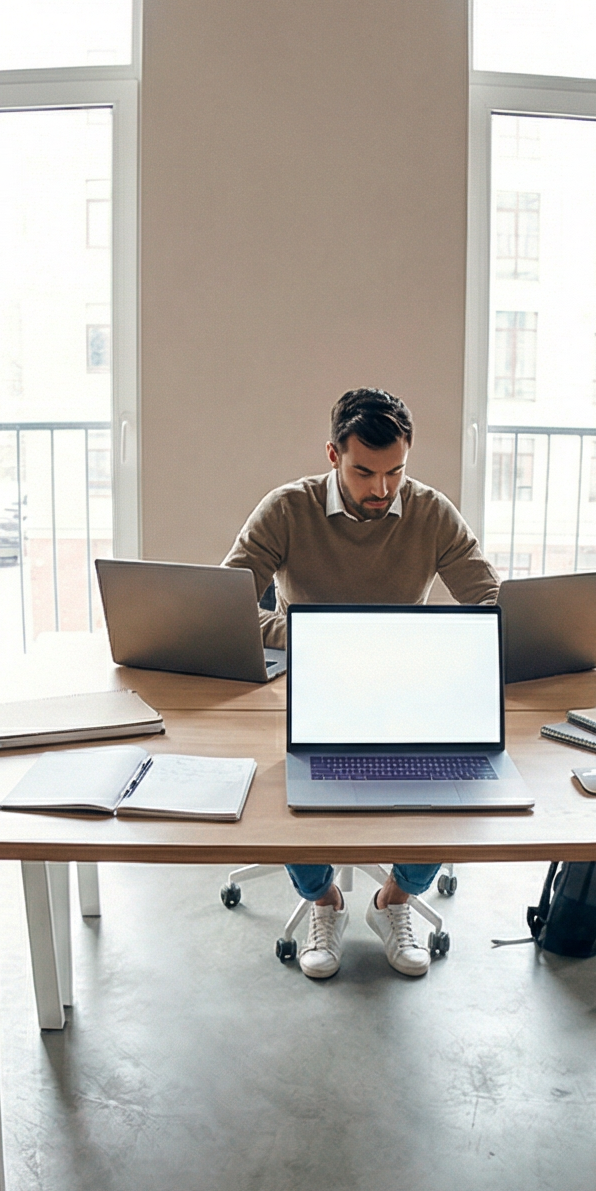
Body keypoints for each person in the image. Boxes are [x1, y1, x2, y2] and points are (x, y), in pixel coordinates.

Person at [222, 387, 499, 980]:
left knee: (457, 780)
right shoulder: (287, 509)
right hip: (310, 691)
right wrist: (309, 636)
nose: (382, 489)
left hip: (404, 690)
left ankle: (393, 902)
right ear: (332, 455)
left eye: (396, 471)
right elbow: (225, 607)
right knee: (283, 793)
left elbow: (492, 601)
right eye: (364, 472)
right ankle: (324, 901)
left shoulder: (429, 512)